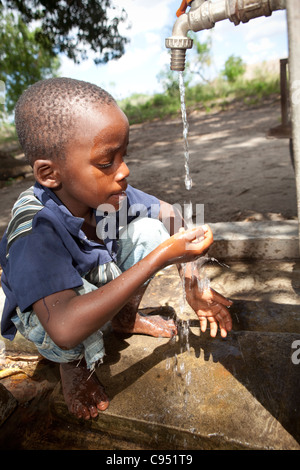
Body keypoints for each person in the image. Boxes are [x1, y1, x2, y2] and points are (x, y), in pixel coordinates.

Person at [0, 78, 232, 420]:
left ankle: (124, 319)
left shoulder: (103, 194)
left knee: (150, 229)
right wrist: (159, 259)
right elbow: (64, 327)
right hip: (50, 313)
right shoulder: (36, 230)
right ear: (50, 174)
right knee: (65, 325)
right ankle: (73, 367)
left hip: (89, 283)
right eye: (107, 162)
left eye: (124, 155)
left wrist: (194, 281)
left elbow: (170, 214)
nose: (124, 171)